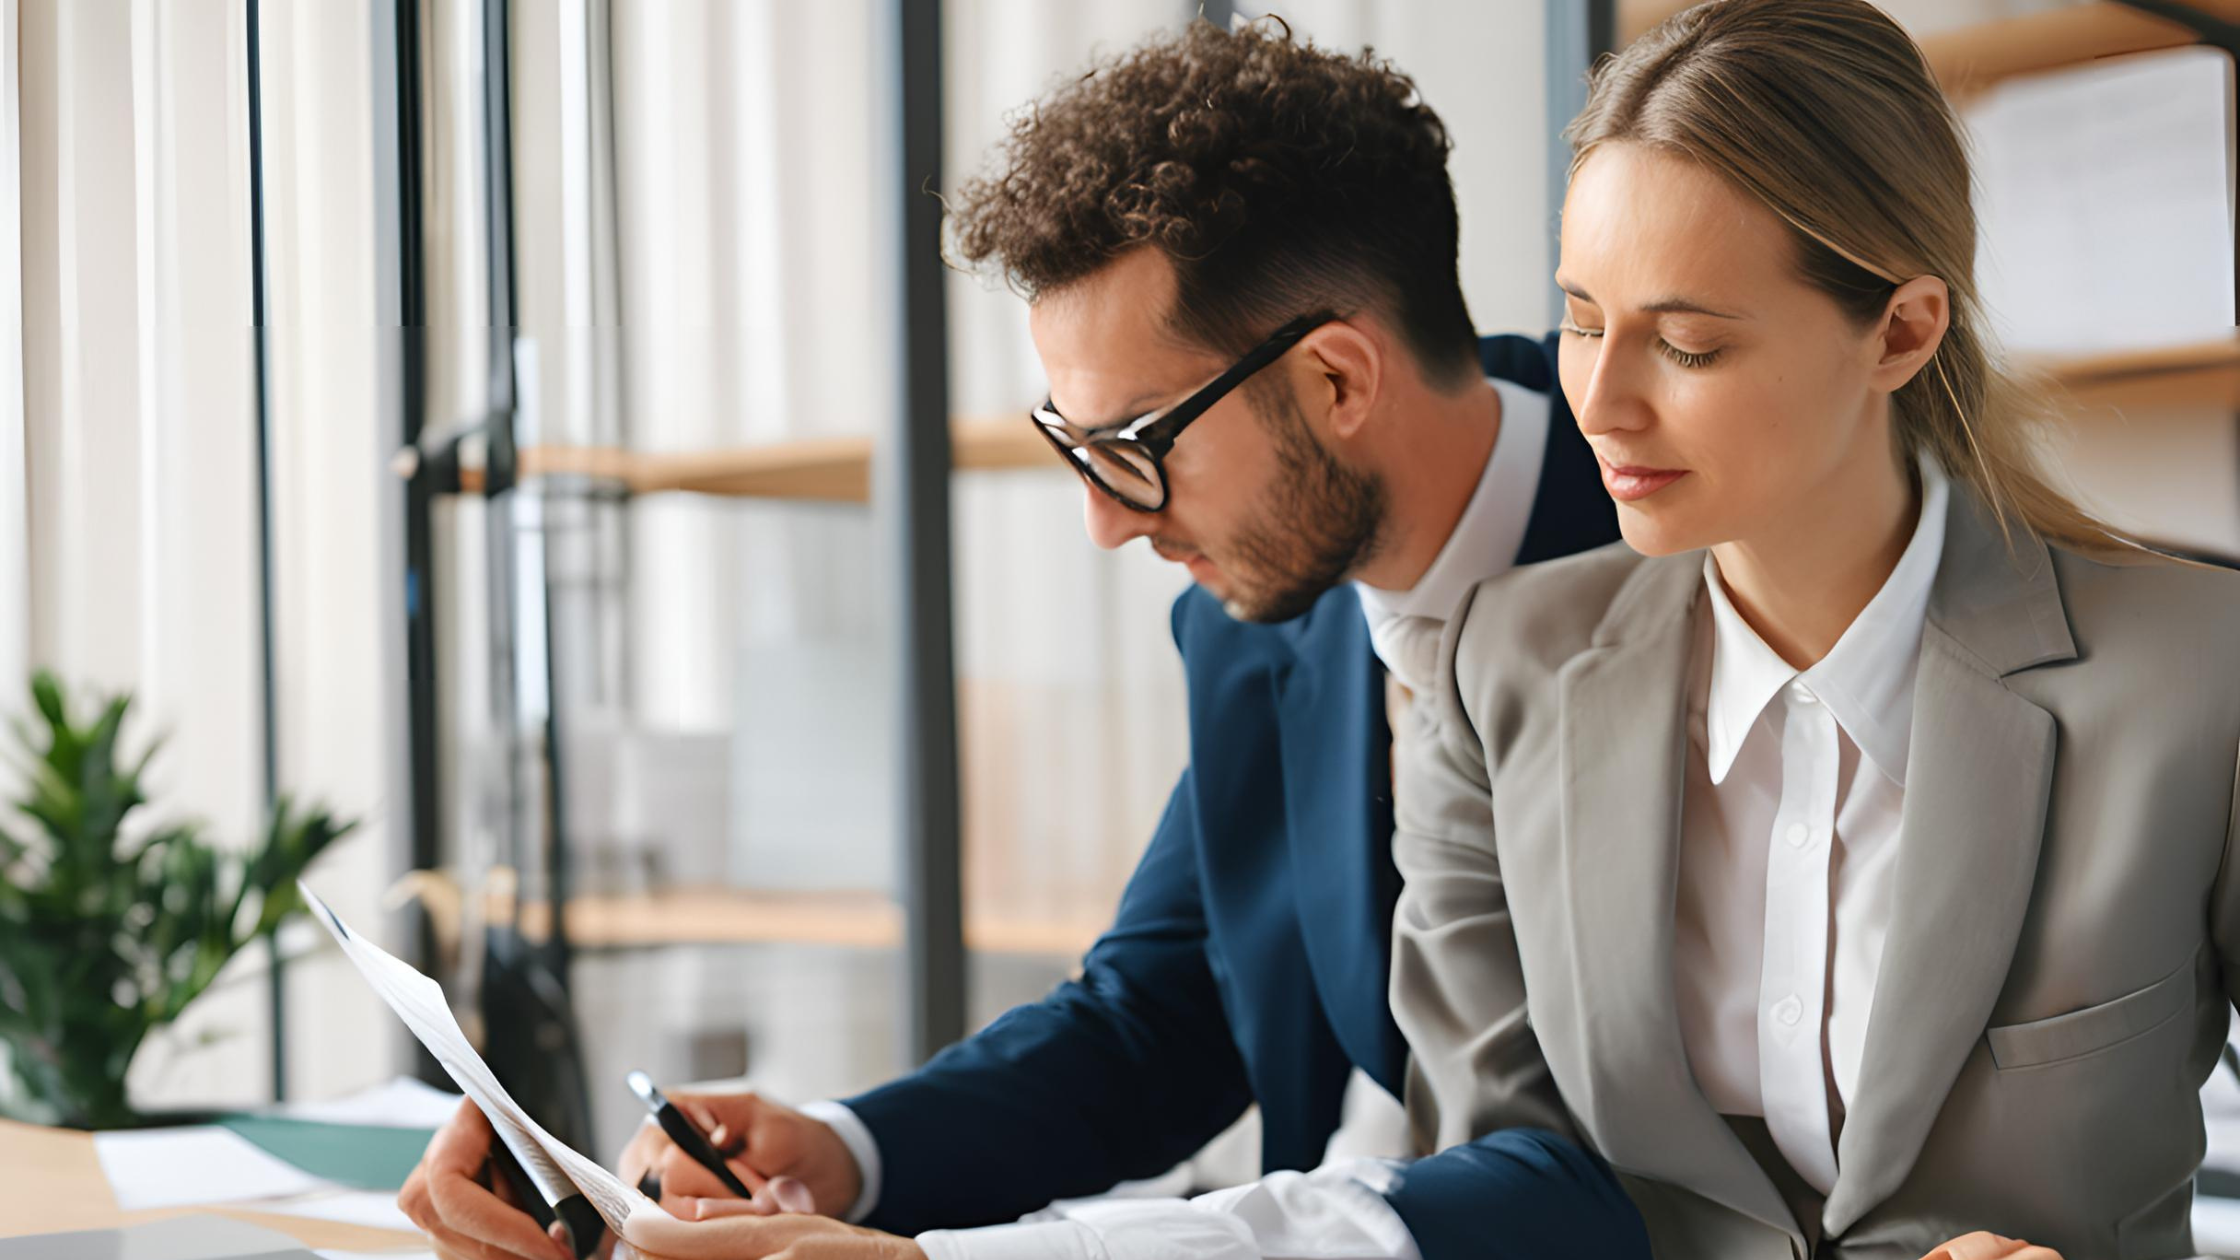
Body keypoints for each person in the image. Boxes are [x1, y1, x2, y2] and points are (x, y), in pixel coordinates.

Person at [399, 19, 1649, 1260]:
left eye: (1132, 450)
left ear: (1335, 382)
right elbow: (1155, 1017)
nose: (1103, 523)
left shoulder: (1693, 562)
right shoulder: (1255, 622)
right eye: (1072, 445)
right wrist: (839, 1151)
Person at [1388, 1, 2240, 1258]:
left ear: (1899, 332)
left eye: (1684, 344)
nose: (1601, 403)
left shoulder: (2197, 674)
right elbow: (1495, 1192)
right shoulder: (1494, 670)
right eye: (1579, 319)